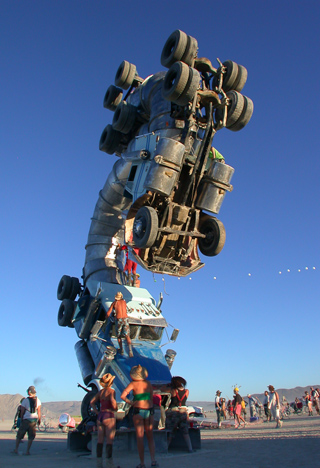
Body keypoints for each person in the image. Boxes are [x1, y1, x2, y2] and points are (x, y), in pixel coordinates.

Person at [121, 365, 158, 468]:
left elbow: (122, 396)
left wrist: (131, 402)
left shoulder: (133, 384)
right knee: (150, 437)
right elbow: (151, 397)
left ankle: (142, 463)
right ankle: (153, 460)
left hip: (138, 411)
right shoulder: (148, 384)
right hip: (149, 410)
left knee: (140, 437)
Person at [90, 373, 120, 468]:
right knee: (109, 440)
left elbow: (91, 402)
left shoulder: (101, 392)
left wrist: (97, 412)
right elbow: (112, 401)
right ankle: (109, 464)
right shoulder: (111, 391)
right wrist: (115, 408)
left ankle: (99, 463)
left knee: (100, 440)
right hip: (109, 415)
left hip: (101, 416)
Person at [164, 376, 194, 452]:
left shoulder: (173, 390)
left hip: (173, 412)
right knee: (185, 432)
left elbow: (162, 389)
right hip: (183, 412)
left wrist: (168, 385)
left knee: (170, 431)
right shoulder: (187, 391)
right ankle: (190, 448)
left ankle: (166, 448)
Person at [13, 386, 41, 455]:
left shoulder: (25, 400)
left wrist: (22, 418)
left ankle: (16, 449)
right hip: (34, 420)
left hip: (26, 419)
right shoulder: (38, 400)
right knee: (31, 436)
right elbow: (39, 411)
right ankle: (27, 451)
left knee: (19, 435)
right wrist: (39, 419)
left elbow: (22, 411)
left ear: (29, 392)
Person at [106, 292, 133, 357]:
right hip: (125, 319)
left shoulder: (114, 303)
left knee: (119, 336)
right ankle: (130, 351)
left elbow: (108, 313)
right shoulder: (124, 302)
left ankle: (121, 350)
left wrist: (106, 318)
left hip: (119, 320)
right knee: (127, 336)